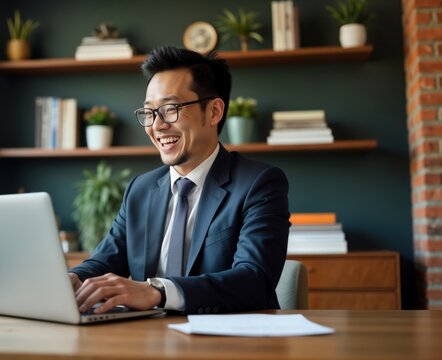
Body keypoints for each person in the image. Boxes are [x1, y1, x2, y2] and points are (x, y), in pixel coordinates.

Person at [69, 46, 289, 315]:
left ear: (214, 111)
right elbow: (104, 261)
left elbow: (255, 281)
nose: (157, 126)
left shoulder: (259, 184)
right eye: (150, 112)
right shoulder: (141, 189)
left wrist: (157, 292)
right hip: (148, 341)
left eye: (170, 109)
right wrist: (73, 280)